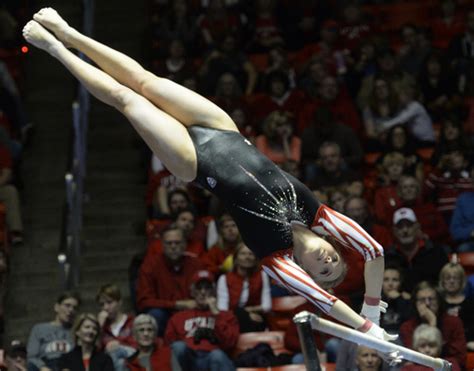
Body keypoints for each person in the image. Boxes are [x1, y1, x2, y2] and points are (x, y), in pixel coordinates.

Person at [23, 8, 395, 342]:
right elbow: (373, 251)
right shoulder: (318, 214)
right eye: (335, 260)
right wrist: (372, 306)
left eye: (325, 271)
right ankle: (68, 31)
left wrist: (364, 328)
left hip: (195, 163)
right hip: (223, 129)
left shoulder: (277, 259)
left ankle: (56, 49)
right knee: (144, 80)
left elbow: (324, 300)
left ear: (307, 271)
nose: (330, 262)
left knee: (127, 99)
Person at [136, 226, 204, 336]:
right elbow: (144, 301)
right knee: (155, 314)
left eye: (177, 243)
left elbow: (207, 293)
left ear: (185, 245)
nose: (173, 247)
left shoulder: (196, 264)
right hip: (164, 313)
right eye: (169, 243)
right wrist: (176, 304)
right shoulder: (150, 265)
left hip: (192, 312)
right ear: (162, 245)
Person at [164, 270, 238, 371]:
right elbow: (170, 347)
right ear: (192, 291)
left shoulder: (227, 316)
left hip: (213, 358)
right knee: (178, 347)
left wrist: (216, 313)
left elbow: (229, 343)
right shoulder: (178, 317)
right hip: (188, 360)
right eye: (199, 288)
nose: (203, 292)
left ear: (213, 291)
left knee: (217, 356)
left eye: (207, 288)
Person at [399, 281, 466, 368]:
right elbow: (413, 359)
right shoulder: (407, 327)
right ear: (415, 303)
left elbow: (459, 359)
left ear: (438, 302)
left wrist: (432, 325)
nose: (427, 303)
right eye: (422, 300)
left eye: (431, 299)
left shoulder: (453, 323)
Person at [384, 208, 448, 293]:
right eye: (400, 227)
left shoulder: (435, 252)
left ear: (417, 227)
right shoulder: (388, 256)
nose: (405, 230)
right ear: (394, 231)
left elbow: (444, 284)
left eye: (409, 225)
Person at [216, 243, 271, 332]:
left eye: (250, 254)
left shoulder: (262, 276)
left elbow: (266, 306)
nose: (247, 257)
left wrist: (245, 312)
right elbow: (223, 309)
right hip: (232, 321)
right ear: (236, 258)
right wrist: (245, 315)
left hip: (257, 319)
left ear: (255, 258)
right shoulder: (224, 279)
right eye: (243, 254)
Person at [27, 291, 80, 371]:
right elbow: (31, 357)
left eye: (74, 308)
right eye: (67, 305)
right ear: (56, 307)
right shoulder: (39, 329)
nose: (71, 310)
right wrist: (42, 368)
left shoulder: (77, 332)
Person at [96, 284, 136, 371]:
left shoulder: (132, 322)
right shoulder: (101, 327)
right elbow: (95, 351)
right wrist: (99, 328)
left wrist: (119, 344)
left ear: (119, 302)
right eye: (102, 304)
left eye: (109, 302)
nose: (105, 307)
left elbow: (137, 347)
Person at [438, 262, 474, 351]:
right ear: (442, 281)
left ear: (462, 281)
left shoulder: (471, 303)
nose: (452, 281)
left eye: (456, 278)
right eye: (448, 278)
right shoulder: (437, 302)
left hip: (468, 343)